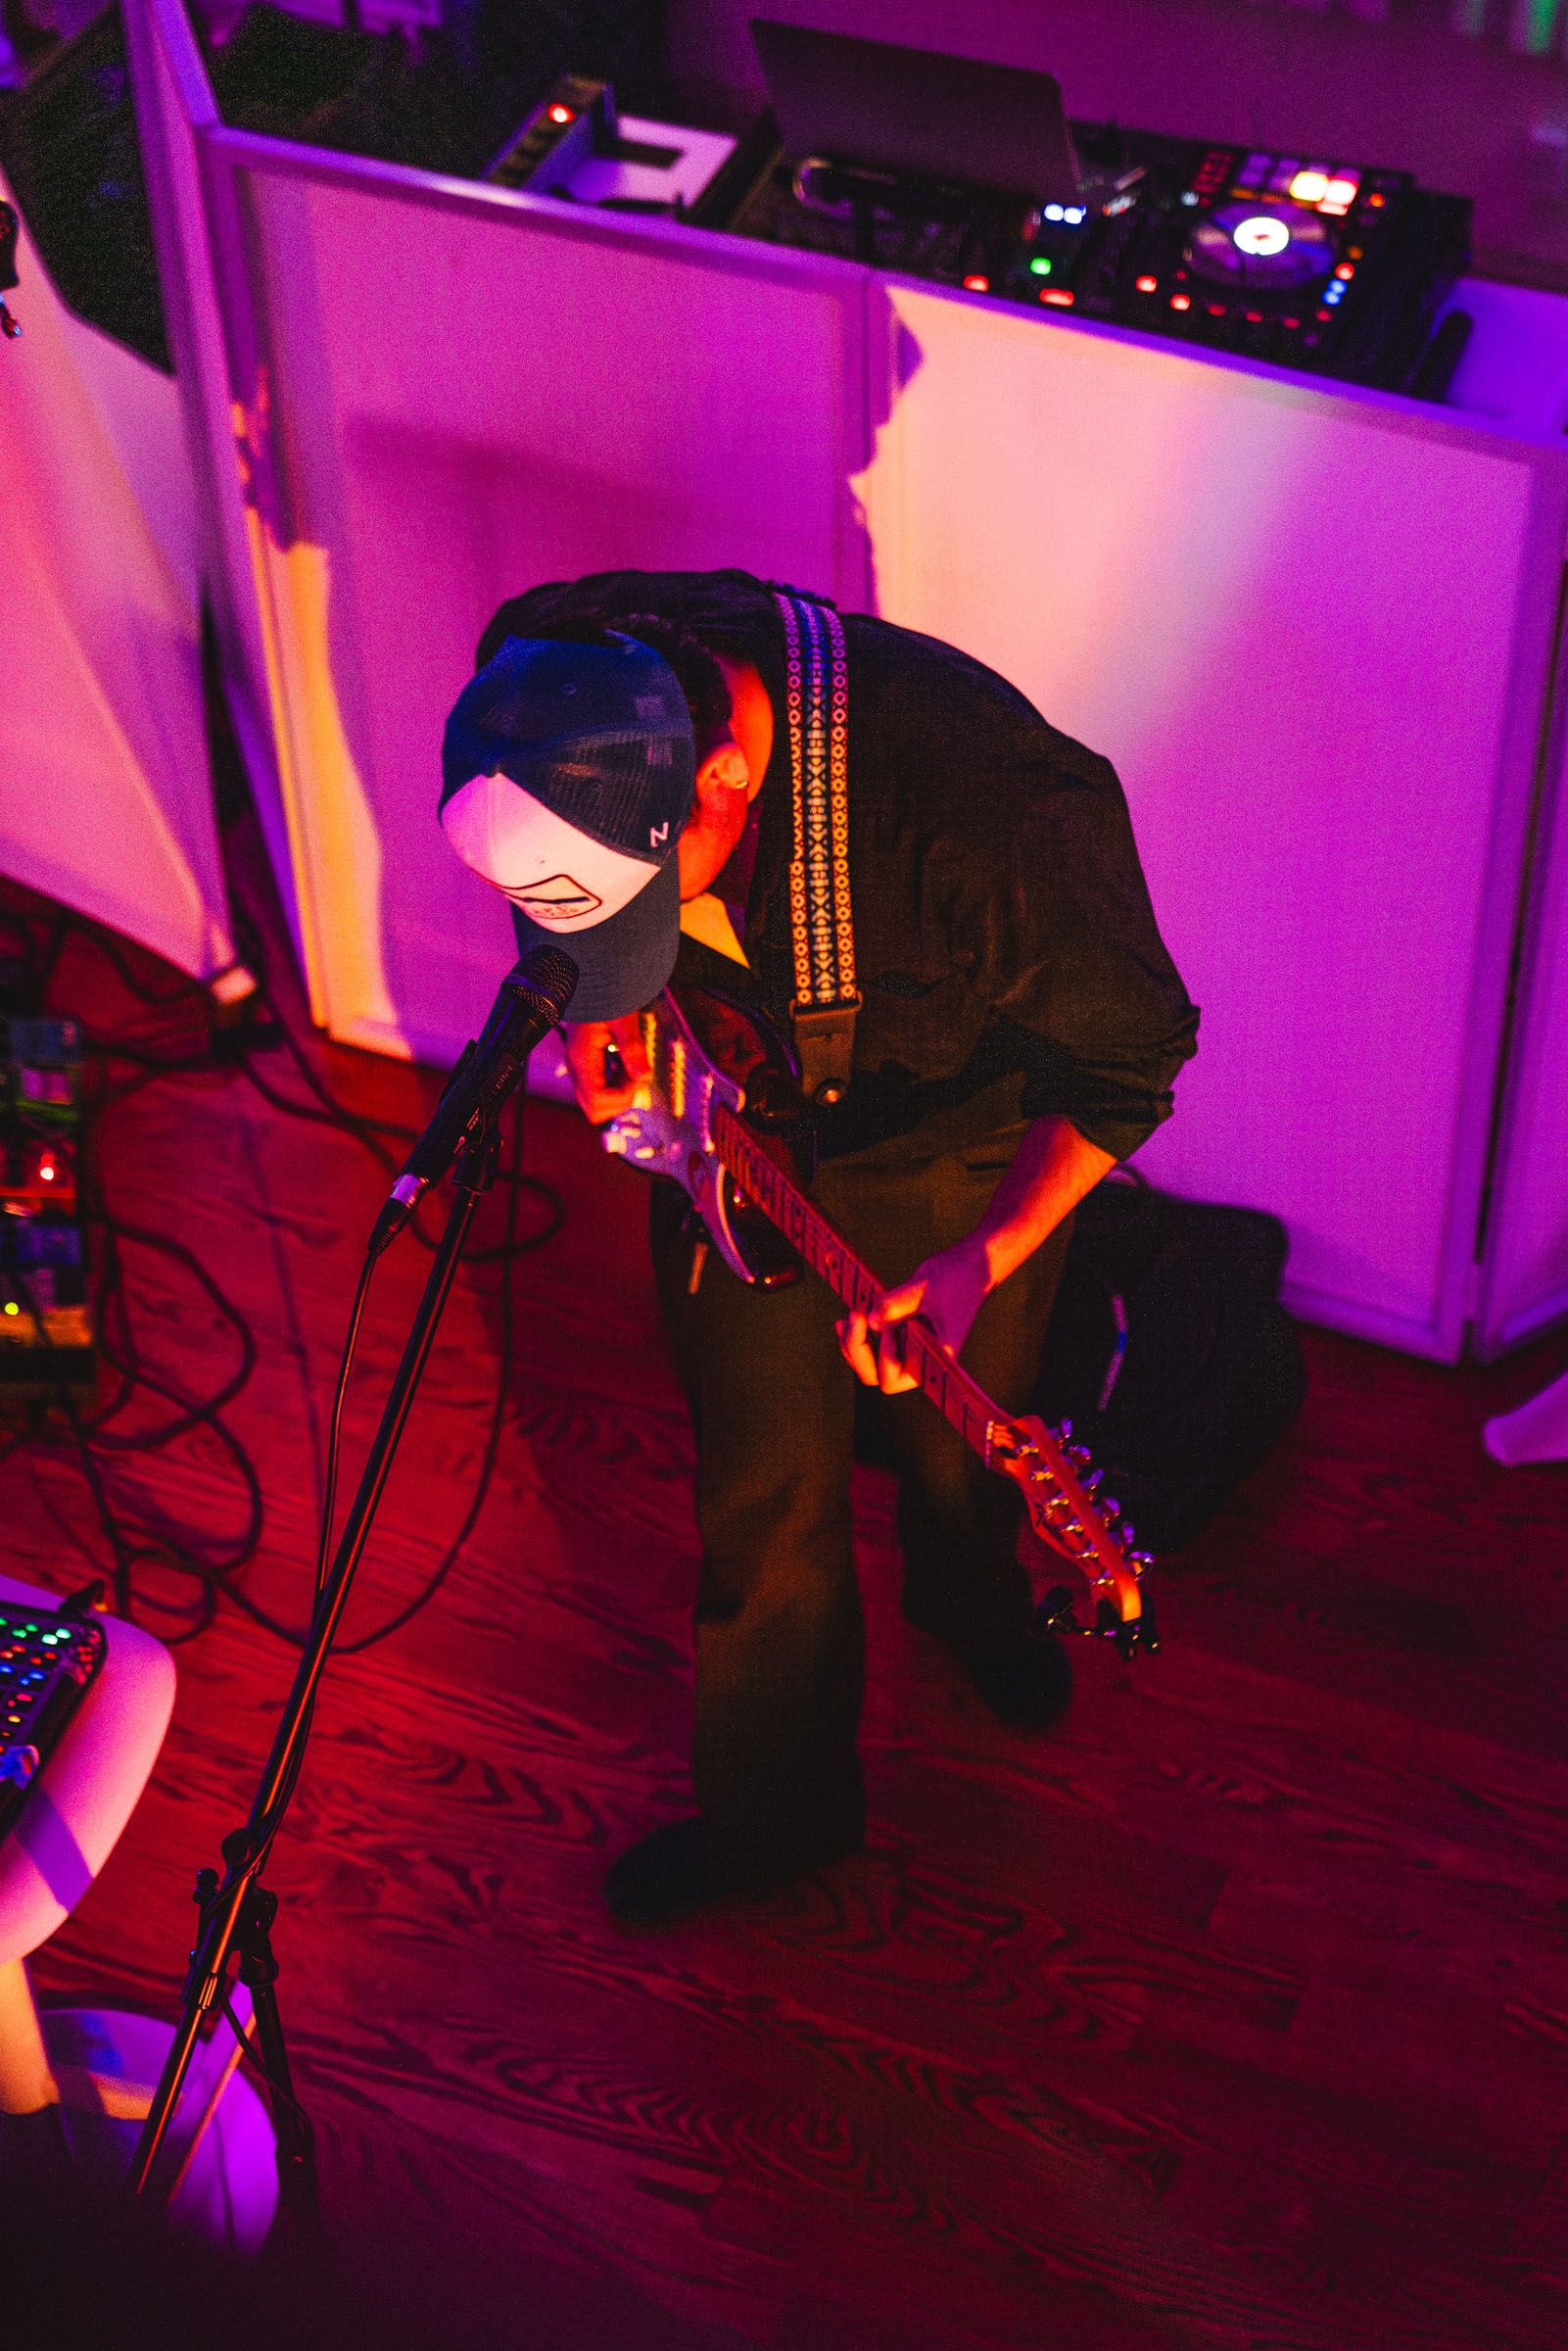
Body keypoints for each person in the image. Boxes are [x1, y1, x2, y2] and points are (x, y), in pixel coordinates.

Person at [440, 569, 1199, 1923]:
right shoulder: (552, 666)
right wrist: (599, 1007)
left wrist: (982, 1256)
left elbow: (1131, 1060)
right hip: (732, 1115)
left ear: (725, 775)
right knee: (759, 1499)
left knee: (962, 1449)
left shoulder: (982, 801)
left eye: (635, 904)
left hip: (952, 1148)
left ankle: (969, 1608)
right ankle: (772, 1820)